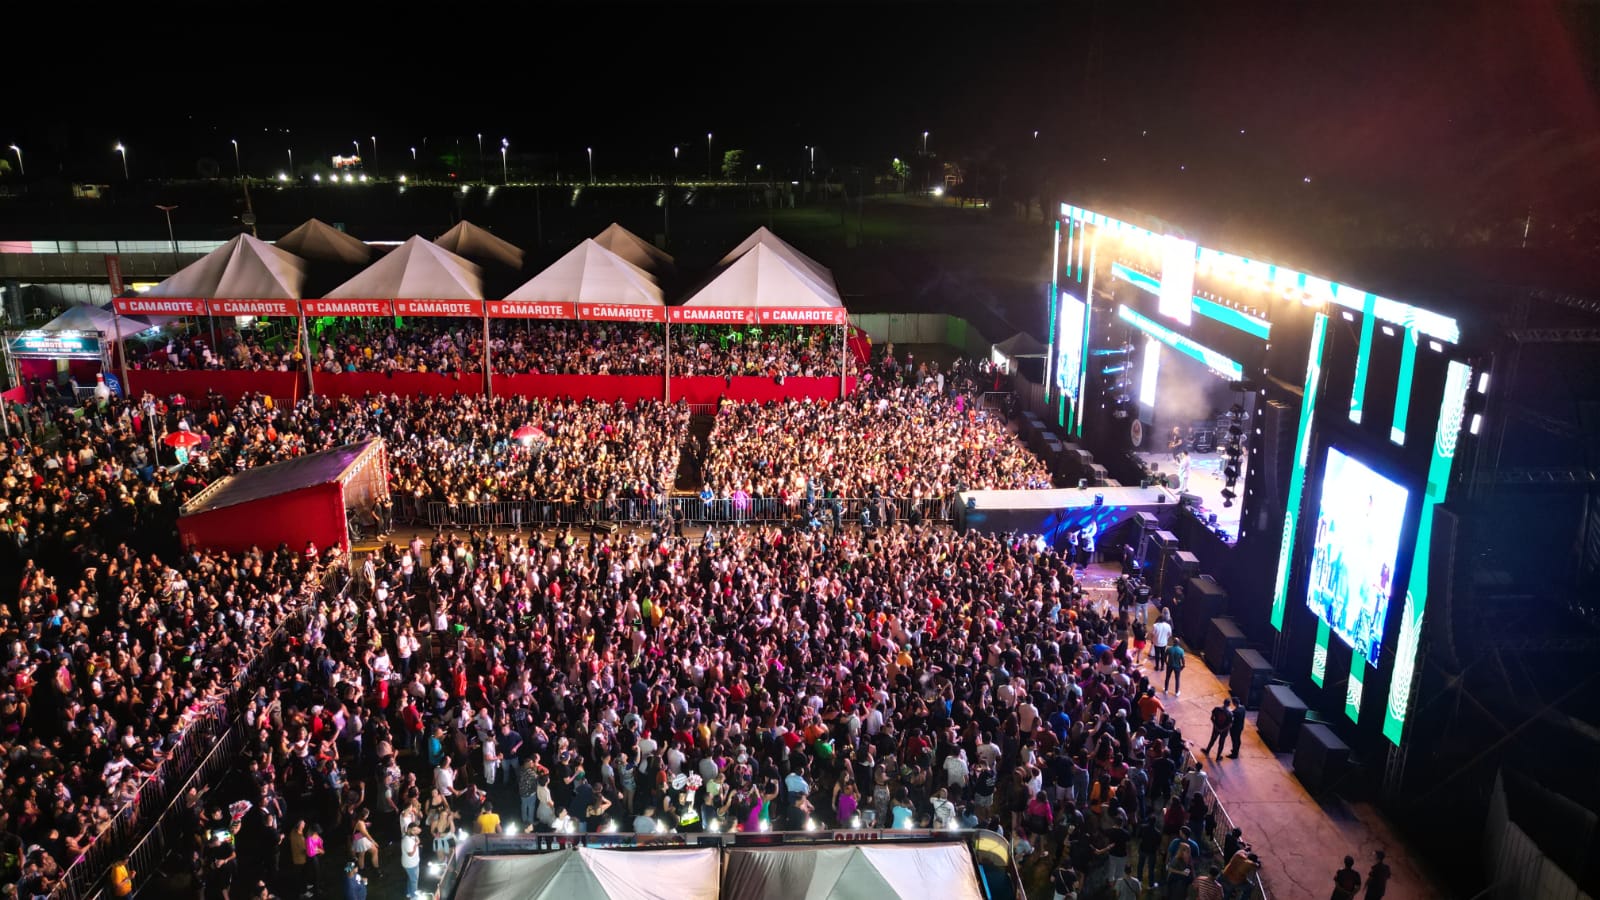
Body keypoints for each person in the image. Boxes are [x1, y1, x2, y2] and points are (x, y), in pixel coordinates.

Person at [400, 822, 422, 899]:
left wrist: (416, 835)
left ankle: (409, 893)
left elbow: (417, 837)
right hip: (411, 864)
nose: (416, 832)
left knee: (411, 879)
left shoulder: (411, 835)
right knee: (414, 881)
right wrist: (416, 845)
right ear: (409, 830)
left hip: (412, 863)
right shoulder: (407, 840)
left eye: (416, 830)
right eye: (414, 830)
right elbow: (410, 854)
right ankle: (414, 896)